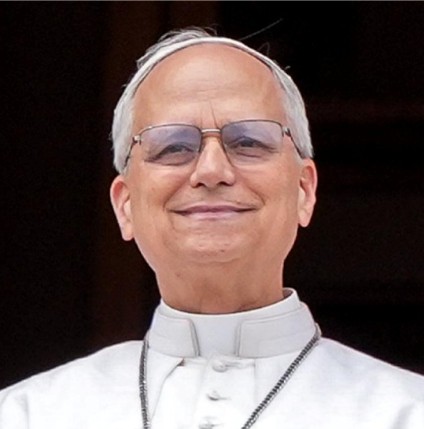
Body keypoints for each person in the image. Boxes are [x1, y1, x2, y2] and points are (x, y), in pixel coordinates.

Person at [1, 28, 423, 429]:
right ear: (125, 205)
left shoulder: (405, 412)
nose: (212, 171)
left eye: (249, 142)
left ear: (304, 190)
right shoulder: (28, 414)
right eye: (173, 146)